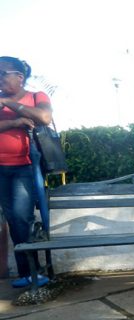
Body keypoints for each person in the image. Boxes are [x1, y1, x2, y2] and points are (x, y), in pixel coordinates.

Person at [0, 56, 52, 288]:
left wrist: (10, 104)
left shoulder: (36, 96)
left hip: (25, 165)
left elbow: (43, 117)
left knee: (23, 217)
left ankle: (35, 271)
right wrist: (14, 122)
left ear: (19, 77)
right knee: (13, 218)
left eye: (2, 73)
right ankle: (26, 273)